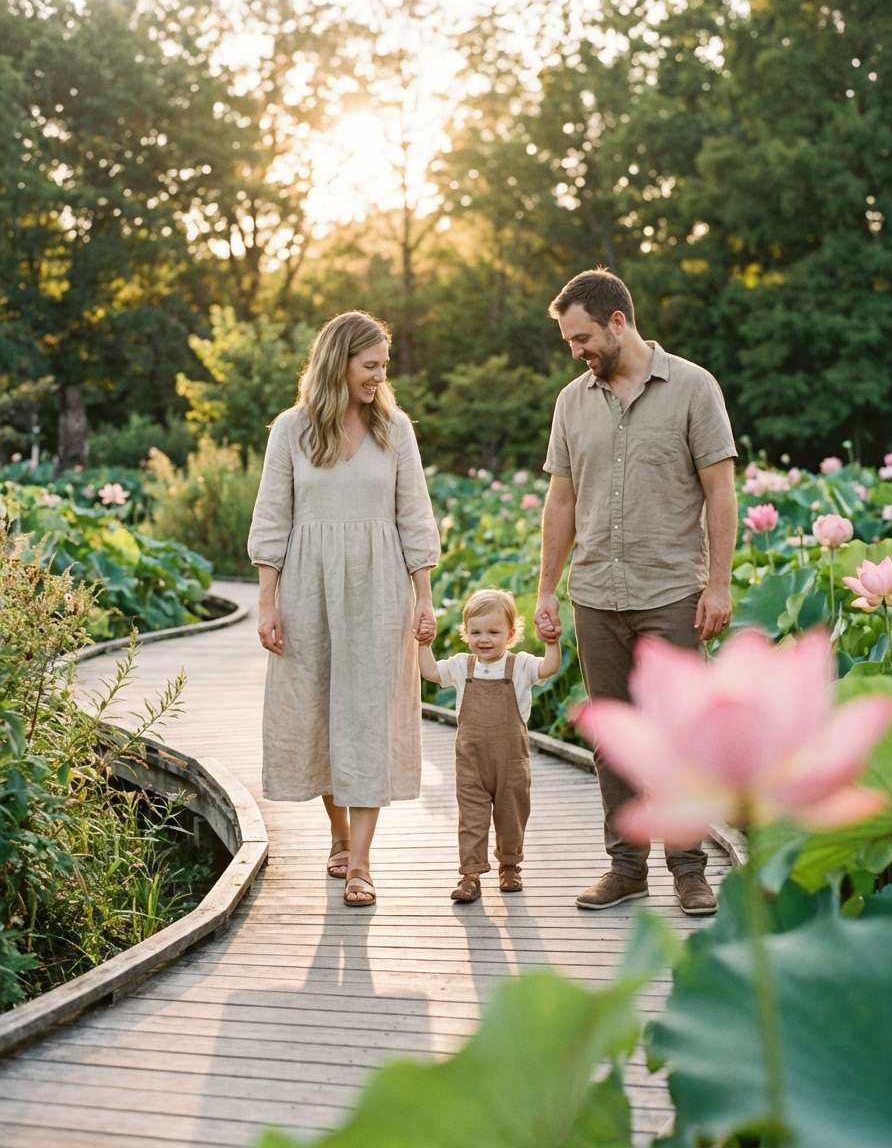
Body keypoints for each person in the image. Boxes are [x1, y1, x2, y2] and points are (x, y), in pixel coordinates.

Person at [535, 268, 738, 916]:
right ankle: (626, 869)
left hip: (670, 591)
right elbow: (560, 500)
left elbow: (720, 491)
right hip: (596, 594)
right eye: (570, 341)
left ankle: (689, 871)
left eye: (583, 338)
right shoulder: (571, 402)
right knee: (614, 740)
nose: (577, 351)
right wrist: (546, 590)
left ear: (618, 322)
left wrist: (719, 584)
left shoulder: (694, 388)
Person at [248, 310, 440, 907]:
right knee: (320, 713)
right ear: (338, 362)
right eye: (370, 365)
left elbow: (415, 514)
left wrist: (425, 597)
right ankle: (337, 835)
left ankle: (360, 862)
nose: (380, 377)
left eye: (384, 366)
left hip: (381, 589)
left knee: (369, 716)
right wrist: (267, 604)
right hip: (308, 588)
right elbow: (272, 517)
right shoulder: (292, 430)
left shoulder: (394, 430)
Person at [418, 588, 561, 903]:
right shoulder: (462, 666)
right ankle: (470, 876)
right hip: (471, 761)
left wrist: (552, 643)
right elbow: (430, 672)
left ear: (511, 634)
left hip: (511, 762)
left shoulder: (520, 665)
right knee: (471, 818)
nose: (484, 639)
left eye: (493, 632)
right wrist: (424, 645)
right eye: (476, 632)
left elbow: (548, 668)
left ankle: (509, 866)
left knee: (512, 815)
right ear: (466, 632)